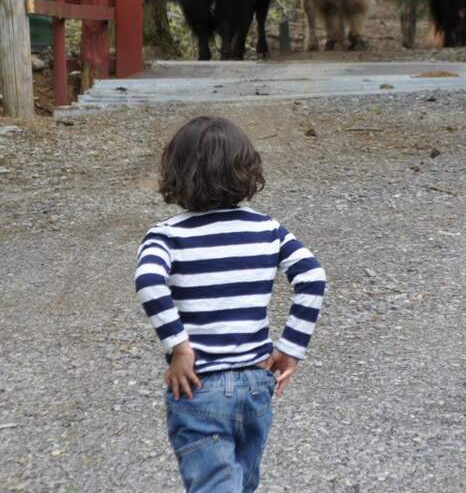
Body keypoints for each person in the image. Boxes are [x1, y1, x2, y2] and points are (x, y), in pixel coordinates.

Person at [135, 115, 327, 493]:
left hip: (199, 386)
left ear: (177, 172)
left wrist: (180, 347)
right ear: (247, 170)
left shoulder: (166, 236)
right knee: (241, 481)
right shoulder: (268, 229)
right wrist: (290, 349)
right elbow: (312, 277)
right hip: (257, 384)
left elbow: (149, 281)